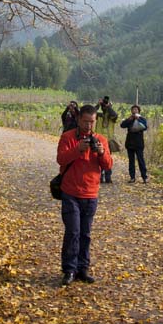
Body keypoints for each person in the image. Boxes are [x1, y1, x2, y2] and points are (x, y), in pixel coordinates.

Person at [56, 103, 113, 286]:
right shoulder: (67, 137)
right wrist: (78, 149)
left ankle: (83, 268)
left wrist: (101, 152)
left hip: (90, 193)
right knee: (73, 231)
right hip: (71, 192)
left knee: (85, 234)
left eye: (92, 122)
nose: (89, 125)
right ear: (79, 119)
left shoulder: (101, 140)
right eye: (86, 121)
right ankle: (69, 269)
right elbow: (61, 159)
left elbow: (108, 166)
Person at [120, 104, 148, 183]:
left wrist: (138, 119)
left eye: (136, 109)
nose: (134, 111)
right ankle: (132, 177)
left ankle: (144, 177)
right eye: (133, 109)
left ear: (139, 111)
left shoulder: (142, 119)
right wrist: (130, 119)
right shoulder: (129, 119)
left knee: (141, 160)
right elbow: (122, 125)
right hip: (130, 143)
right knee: (131, 161)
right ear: (131, 111)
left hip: (139, 143)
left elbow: (145, 127)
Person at [96, 96, 118, 183]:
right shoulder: (99, 115)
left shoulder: (112, 117)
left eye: (106, 106)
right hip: (99, 139)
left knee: (107, 159)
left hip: (108, 140)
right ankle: (100, 177)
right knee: (99, 158)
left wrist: (108, 107)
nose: (105, 107)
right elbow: (91, 112)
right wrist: (98, 104)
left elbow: (115, 115)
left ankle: (108, 177)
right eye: (104, 106)